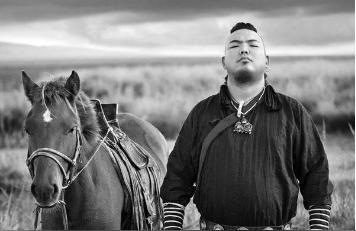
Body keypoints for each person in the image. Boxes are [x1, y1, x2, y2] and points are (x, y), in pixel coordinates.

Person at [160, 22, 333, 230]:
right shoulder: (202, 113)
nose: (244, 49)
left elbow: (316, 174)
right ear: (224, 62)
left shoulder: (292, 112)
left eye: (253, 45)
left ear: (267, 62)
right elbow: (178, 175)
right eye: (234, 45)